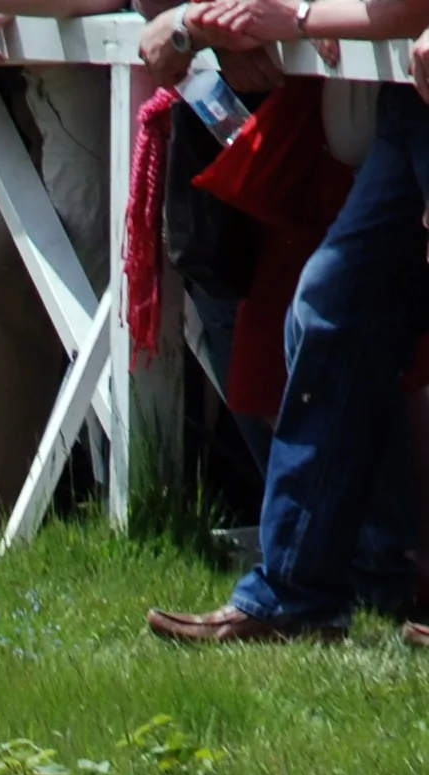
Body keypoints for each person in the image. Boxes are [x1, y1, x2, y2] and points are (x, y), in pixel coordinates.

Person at [148, 0, 429, 639]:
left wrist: (305, 17)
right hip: (408, 103)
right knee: (331, 309)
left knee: (332, 307)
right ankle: (297, 593)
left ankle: (322, 583)